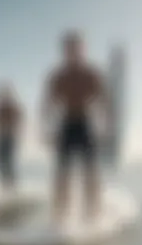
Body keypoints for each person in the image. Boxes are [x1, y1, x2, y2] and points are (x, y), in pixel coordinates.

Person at [42, 30, 111, 225]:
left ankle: (94, 214)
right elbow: (47, 104)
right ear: (64, 51)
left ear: (82, 50)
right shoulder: (58, 76)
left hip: (85, 122)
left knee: (90, 170)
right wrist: (47, 130)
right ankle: (59, 216)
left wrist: (106, 127)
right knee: (62, 171)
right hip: (66, 124)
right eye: (68, 48)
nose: (72, 52)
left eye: (76, 48)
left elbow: (104, 100)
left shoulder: (91, 74)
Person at [0, 81, 23, 188]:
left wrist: (14, 130)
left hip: (9, 135)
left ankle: (11, 184)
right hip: (2, 136)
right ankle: (5, 184)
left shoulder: (12, 106)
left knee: (8, 160)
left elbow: (18, 119)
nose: (3, 96)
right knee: (0, 161)